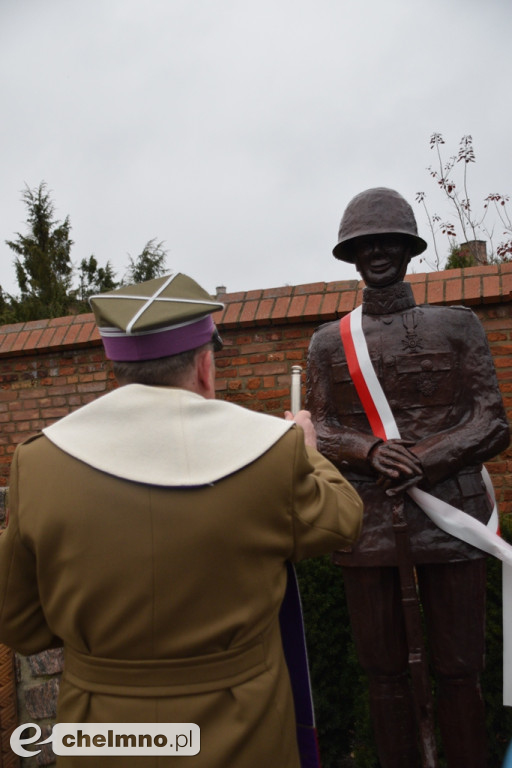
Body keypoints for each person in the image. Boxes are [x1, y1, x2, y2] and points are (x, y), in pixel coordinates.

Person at [0, 271, 363, 768]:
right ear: (204, 366)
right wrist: (308, 448)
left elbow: (19, 623)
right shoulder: (273, 452)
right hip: (245, 728)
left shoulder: (37, 462)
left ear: (117, 367)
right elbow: (343, 518)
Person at [306, 188, 510, 768]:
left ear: (408, 249)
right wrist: (369, 449)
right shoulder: (328, 342)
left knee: (460, 669)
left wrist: (426, 457)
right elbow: (320, 429)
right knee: (383, 673)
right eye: (364, 244)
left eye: (388, 242)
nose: (377, 252)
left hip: (453, 517)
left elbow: (492, 422)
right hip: (368, 522)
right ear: (351, 254)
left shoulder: (457, 325)